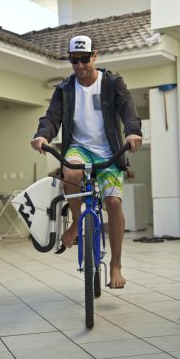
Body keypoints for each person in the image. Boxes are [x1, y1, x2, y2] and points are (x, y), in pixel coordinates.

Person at [31, 35, 142, 288]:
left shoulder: (113, 83)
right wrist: (42, 135)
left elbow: (128, 110)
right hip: (79, 148)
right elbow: (51, 117)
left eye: (84, 59)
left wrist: (133, 132)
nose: (79, 65)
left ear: (95, 56)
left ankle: (115, 265)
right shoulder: (64, 89)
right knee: (70, 173)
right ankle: (76, 221)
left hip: (108, 150)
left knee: (113, 203)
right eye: (73, 60)